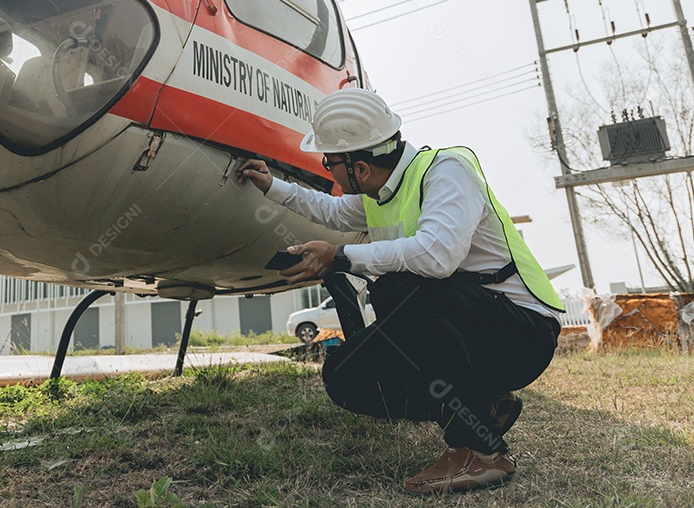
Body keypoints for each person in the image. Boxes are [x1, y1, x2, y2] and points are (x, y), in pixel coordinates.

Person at [236, 88, 564, 495]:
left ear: (359, 167)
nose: (326, 168)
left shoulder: (447, 171)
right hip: (477, 335)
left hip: (524, 336)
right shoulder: (379, 191)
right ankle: (486, 406)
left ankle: (480, 450)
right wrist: (273, 186)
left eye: (329, 161)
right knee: (345, 375)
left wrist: (339, 257)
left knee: (397, 289)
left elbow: (437, 256)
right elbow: (332, 211)